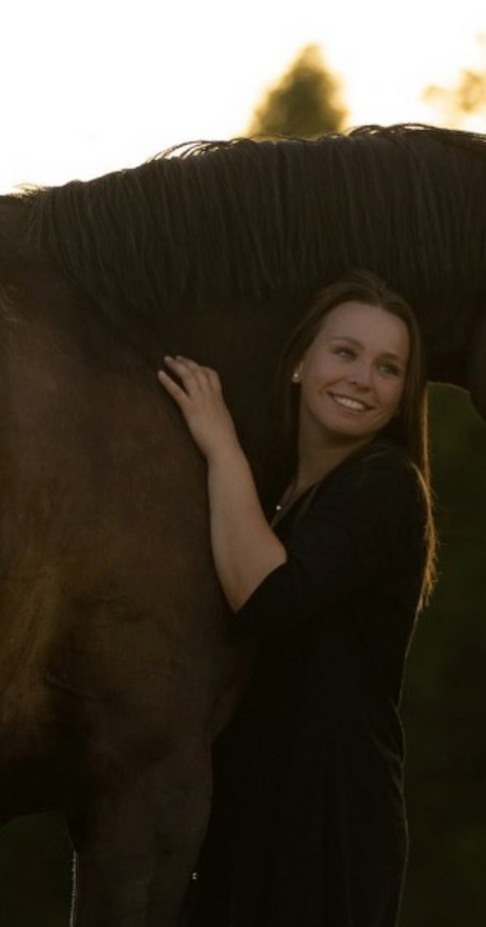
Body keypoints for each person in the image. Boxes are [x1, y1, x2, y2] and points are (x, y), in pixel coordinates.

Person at [158, 269, 436, 927]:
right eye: (345, 353)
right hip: (252, 816)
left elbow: (268, 597)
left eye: (388, 367)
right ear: (299, 364)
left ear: (401, 396)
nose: (362, 379)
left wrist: (218, 440)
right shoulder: (285, 503)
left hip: (328, 822)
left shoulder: (385, 486)